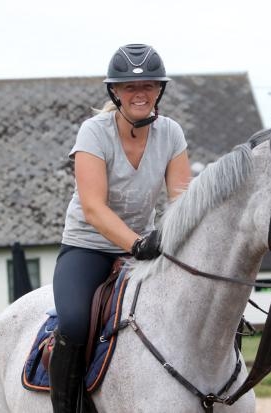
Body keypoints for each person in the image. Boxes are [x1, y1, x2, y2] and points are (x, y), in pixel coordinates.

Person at [49, 44, 191, 412]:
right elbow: (94, 208)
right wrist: (137, 244)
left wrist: (179, 242)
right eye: (130, 87)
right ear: (115, 91)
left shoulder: (172, 134)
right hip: (88, 246)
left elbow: (182, 202)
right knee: (77, 322)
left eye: (148, 85)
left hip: (145, 247)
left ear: (160, 89)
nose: (139, 93)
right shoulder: (93, 133)